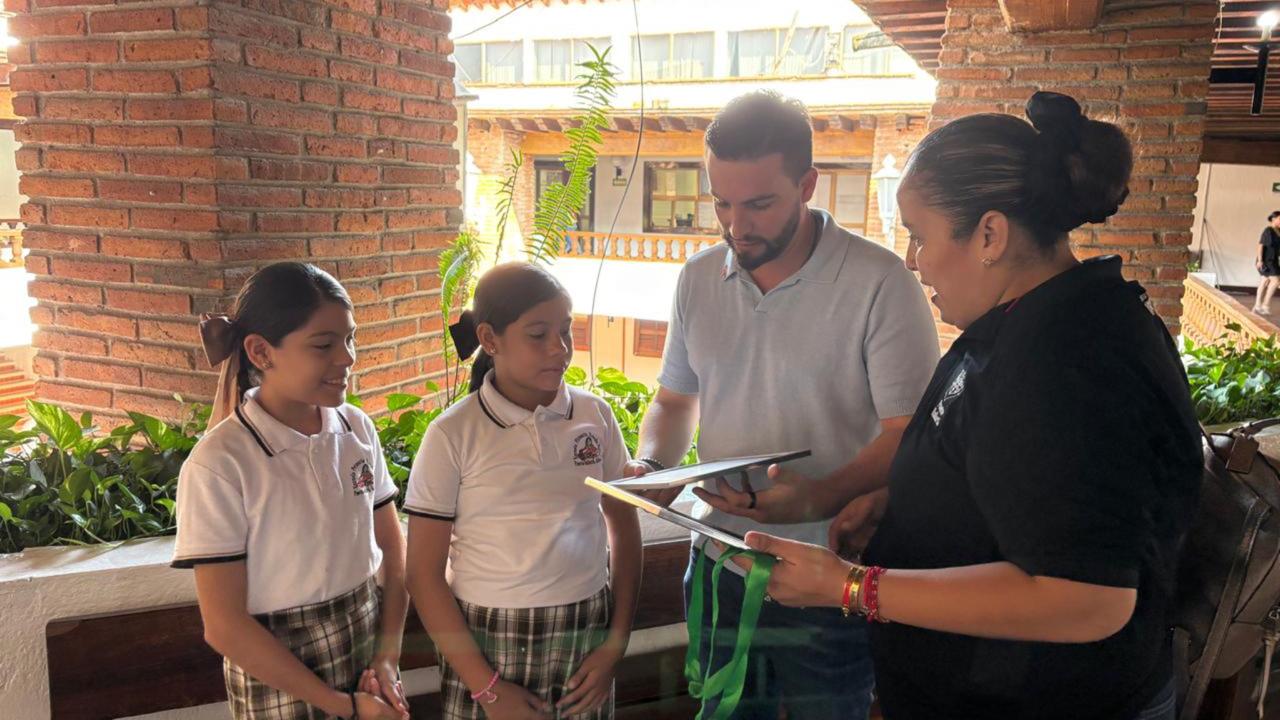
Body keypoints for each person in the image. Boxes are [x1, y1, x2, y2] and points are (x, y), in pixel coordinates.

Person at [704, 92, 1203, 720]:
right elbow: (1011, 476)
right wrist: (897, 503)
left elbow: (1088, 597)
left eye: (920, 235)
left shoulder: (1073, 358)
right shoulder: (1022, 322)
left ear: (990, 234)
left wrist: (852, 587)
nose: (913, 261)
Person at [629, 90, 940, 719]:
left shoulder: (881, 283)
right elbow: (673, 400)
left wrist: (818, 497)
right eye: (721, 202)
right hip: (717, 560)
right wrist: (652, 464)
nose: (735, 225)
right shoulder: (696, 277)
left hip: (828, 576)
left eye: (760, 204)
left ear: (808, 185)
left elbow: (911, 435)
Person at [403, 263, 642, 720]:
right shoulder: (453, 434)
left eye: (565, 331)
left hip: (585, 637)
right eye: (538, 334)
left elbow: (624, 529)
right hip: (486, 648)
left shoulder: (595, 416)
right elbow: (423, 575)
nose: (560, 348)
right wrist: (487, 688)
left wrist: (614, 644)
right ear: (491, 340)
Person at [172, 262, 410, 720]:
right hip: (278, 676)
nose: (347, 358)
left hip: (367, 649)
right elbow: (225, 627)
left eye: (350, 339)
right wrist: (345, 707)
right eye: (323, 345)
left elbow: (391, 552)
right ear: (261, 352)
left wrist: (387, 656)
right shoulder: (220, 464)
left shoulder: (357, 429)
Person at [1254, 210, 1280, 315]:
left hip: (1273, 260)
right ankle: (1265, 305)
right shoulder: (1268, 230)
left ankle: (1257, 305)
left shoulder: (1279, 232)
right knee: (1275, 281)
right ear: (1274, 219)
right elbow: (1260, 245)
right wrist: (1260, 260)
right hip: (1265, 260)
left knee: (1264, 282)